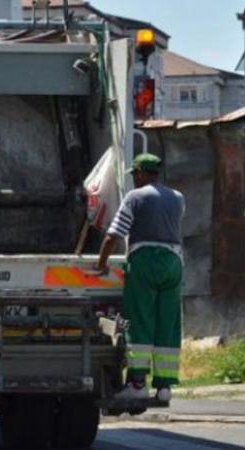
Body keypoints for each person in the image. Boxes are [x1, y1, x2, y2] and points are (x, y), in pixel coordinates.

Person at [93, 153, 185, 402]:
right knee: (168, 323)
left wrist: (101, 264)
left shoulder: (135, 197)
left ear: (143, 173)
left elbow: (114, 235)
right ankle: (164, 388)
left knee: (139, 320)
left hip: (145, 259)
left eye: (135, 174)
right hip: (174, 262)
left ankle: (137, 384)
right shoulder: (178, 198)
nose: (134, 179)